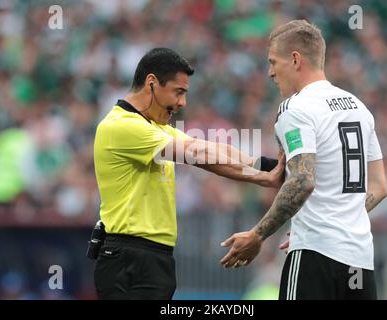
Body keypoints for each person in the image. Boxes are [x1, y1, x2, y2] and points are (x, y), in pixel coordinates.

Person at [92, 47, 284, 300]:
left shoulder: (154, 127)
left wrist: (274, 166)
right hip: (129, 256)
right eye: (178, 92)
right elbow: (197, 154)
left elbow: (211, 147)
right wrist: (261, 179)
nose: (182, 103)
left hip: (153, 256)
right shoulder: (121, 126)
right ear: (151, 83)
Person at [220, 20, 387, 300]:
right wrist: (335, 218)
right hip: (359, 261)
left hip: (316, 257)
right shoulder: (360, 108)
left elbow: (302, 180)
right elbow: (380, 187)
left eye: (273, 62)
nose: (271, 72)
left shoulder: (296, 107)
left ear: (295, 59)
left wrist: (258, 235)